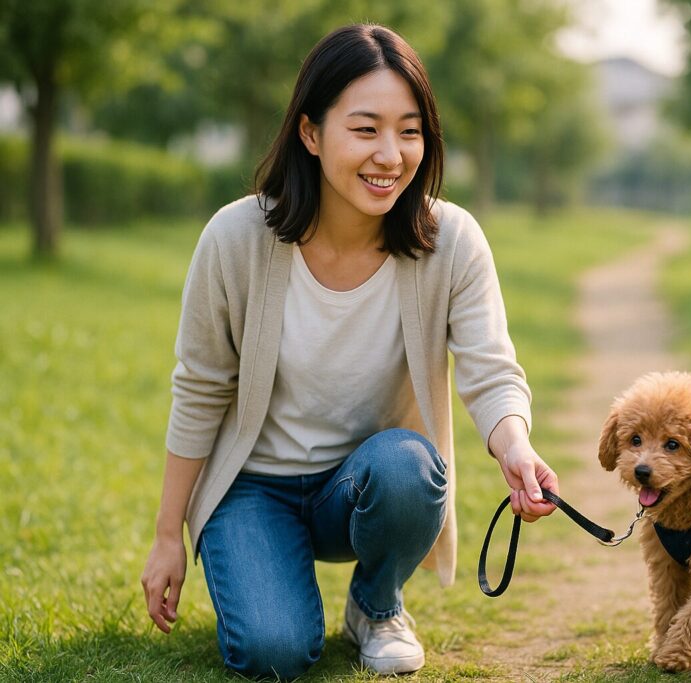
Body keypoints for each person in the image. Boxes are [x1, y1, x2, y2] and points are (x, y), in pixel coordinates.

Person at [140, 23, 560, 679]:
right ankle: (267, 571)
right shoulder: (235, 238)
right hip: (254, 488)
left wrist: (515, 446)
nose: (390, 154)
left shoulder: (451, 241)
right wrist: (169, 534)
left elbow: (490, 367)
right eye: (365, 129)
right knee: (275, 652)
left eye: (410, 130)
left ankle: (376, 603)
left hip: (367, 485)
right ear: (311, 133)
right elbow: (200, 387)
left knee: (409, 463)